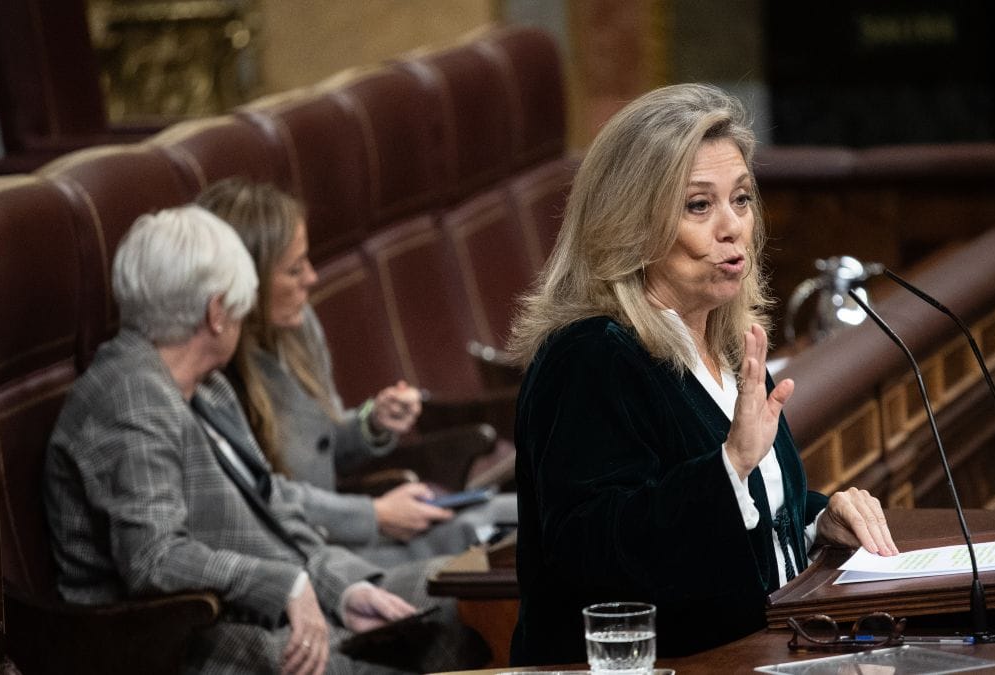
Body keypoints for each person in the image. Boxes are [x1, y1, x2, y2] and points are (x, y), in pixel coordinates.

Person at [505, 83, 899, 665]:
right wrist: (728, 465)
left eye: (741, 200)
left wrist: (816, 519)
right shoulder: (591, 356)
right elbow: (591, 552)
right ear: (630, 223)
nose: (731, 226)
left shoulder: (723, 341)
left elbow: (739, 507)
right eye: (698, 206)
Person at [44, 205, 488, 674]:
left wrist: (343, 591)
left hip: (268, 606)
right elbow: (154, 559)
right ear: (217, 313)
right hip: (178, 641)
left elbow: (269, 501)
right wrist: (285, 585)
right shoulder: (131, 396)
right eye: (239, 304)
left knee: (467, 602)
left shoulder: (206, 385)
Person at [195, 178, 514, 568]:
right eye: (295, 270)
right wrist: (374, 514)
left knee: (531, 515)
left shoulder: (297, 327)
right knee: (497, 556)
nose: (312, 279)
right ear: (250, 282)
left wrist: (372, 422)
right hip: (314, 554)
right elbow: (260, 499)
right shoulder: (211, 370)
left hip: (353, 527)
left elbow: (322, 443)